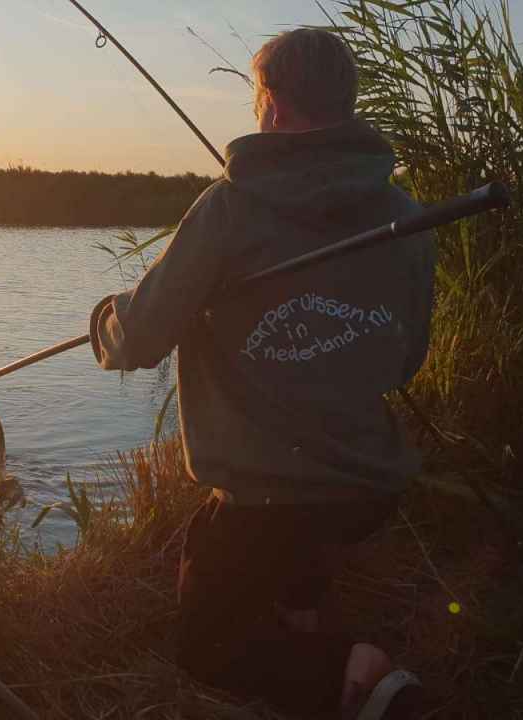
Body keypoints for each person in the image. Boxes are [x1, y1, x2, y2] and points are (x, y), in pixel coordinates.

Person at [88, 28, 434, 719]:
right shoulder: (405, 216)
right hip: (370, 487)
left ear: (272, 105)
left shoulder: (229, 208)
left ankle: (360, 675)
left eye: (257, 98)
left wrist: (106, 321)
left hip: (272, 501)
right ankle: (305, 612)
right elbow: (405, 359)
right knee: (277, 551)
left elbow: (141, 338)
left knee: (205, 650)